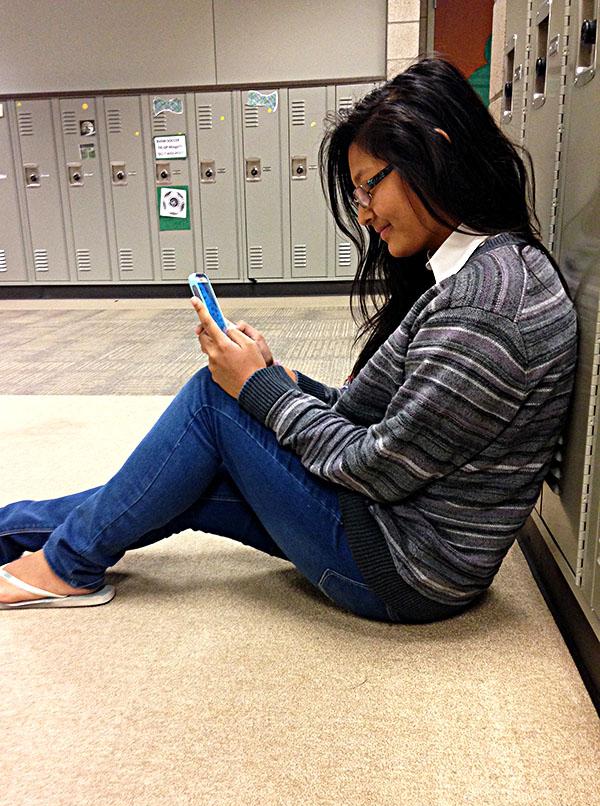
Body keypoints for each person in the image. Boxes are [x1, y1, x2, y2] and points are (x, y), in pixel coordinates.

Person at [0, 55, 577, 624]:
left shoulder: (489, 306)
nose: (365, 211)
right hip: (396, 532)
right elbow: (392, 424)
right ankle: (13, 532)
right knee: (174, 477)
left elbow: (376, 465)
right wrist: (282, 381)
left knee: (210, 401)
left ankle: (67, 568)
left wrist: (259, 389)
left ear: (437, 149)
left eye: (369, 186)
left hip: (400, 571)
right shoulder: (483, 272)